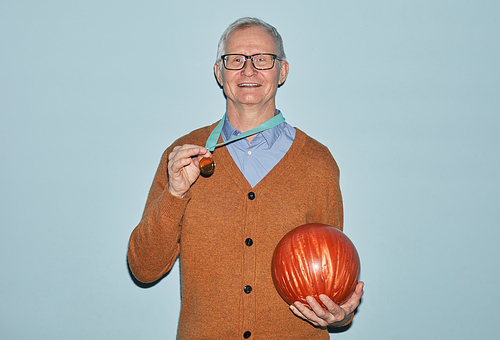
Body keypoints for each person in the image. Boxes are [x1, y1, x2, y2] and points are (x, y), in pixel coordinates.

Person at [128, 17, 364, 339]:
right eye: (235, 59)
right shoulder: (182, 157)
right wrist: (174, 195)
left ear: (282, 71)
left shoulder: (317, 163)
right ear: (218, 72)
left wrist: (338, 315)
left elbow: (333, 275)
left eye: (262, 59)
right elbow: (144, 268)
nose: (248, 70)